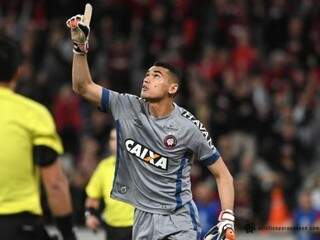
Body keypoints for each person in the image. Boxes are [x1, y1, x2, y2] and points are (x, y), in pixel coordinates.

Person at [67, 9, 235, 240]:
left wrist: (227, 216)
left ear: (172, 89)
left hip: (177, 218)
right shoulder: (126, 106)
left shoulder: (188, 127)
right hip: (142, 219)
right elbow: (82, 86)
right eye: (147, 74)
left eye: (156, 76)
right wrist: (79, 49)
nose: (147, 78)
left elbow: (223, 175)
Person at [0, 35, 77, 240]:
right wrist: (68, 233)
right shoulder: (34, 114)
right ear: (18, 71)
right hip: (17, 226)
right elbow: (55, 183)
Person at [85, 128, 134, 240]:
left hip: (138, 226)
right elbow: (93, 196)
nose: (116, 141)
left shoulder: (142, 165)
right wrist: (90, 215)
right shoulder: (103, 166)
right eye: (112, 139)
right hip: (112, 227)